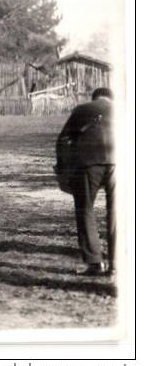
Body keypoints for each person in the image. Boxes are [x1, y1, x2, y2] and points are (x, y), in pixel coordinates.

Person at [55, 87, 115, 276]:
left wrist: (64, 168)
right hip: (121, 161)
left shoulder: (82, 109)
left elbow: (63, 139)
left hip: (89, 162)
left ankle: (94, 262)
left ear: (95, 97)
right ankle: (118, 265)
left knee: (85, 209)